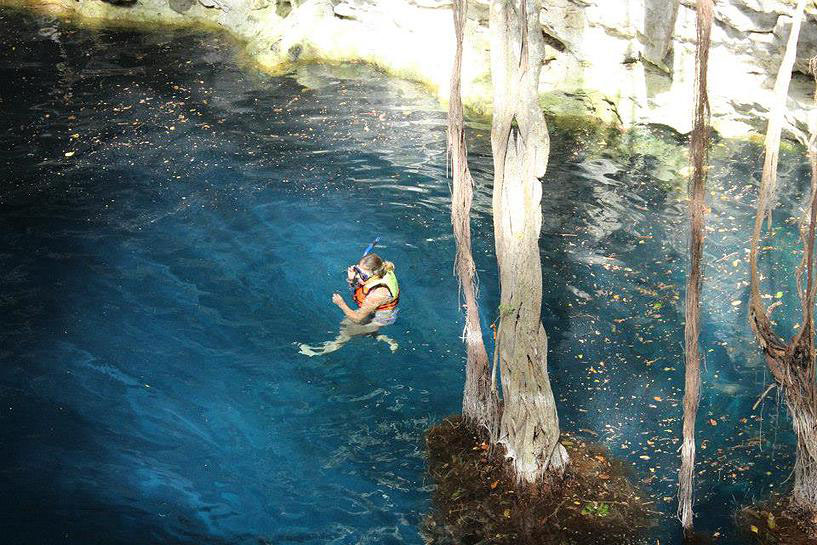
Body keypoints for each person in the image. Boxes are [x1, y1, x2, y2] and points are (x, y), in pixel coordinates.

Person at [298, 253, 400, 357]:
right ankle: (379, 336)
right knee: (346, 323)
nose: (358, 276)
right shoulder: (379, 273)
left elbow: (358, 318)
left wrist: (341, 304)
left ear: (375, 274)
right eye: (358, 270)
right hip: (374, 309)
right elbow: (359, 289)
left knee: (347, 331)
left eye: (362, 274)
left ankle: (319, 352)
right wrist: (352, 280)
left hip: (381, 318)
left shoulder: (378, 293)